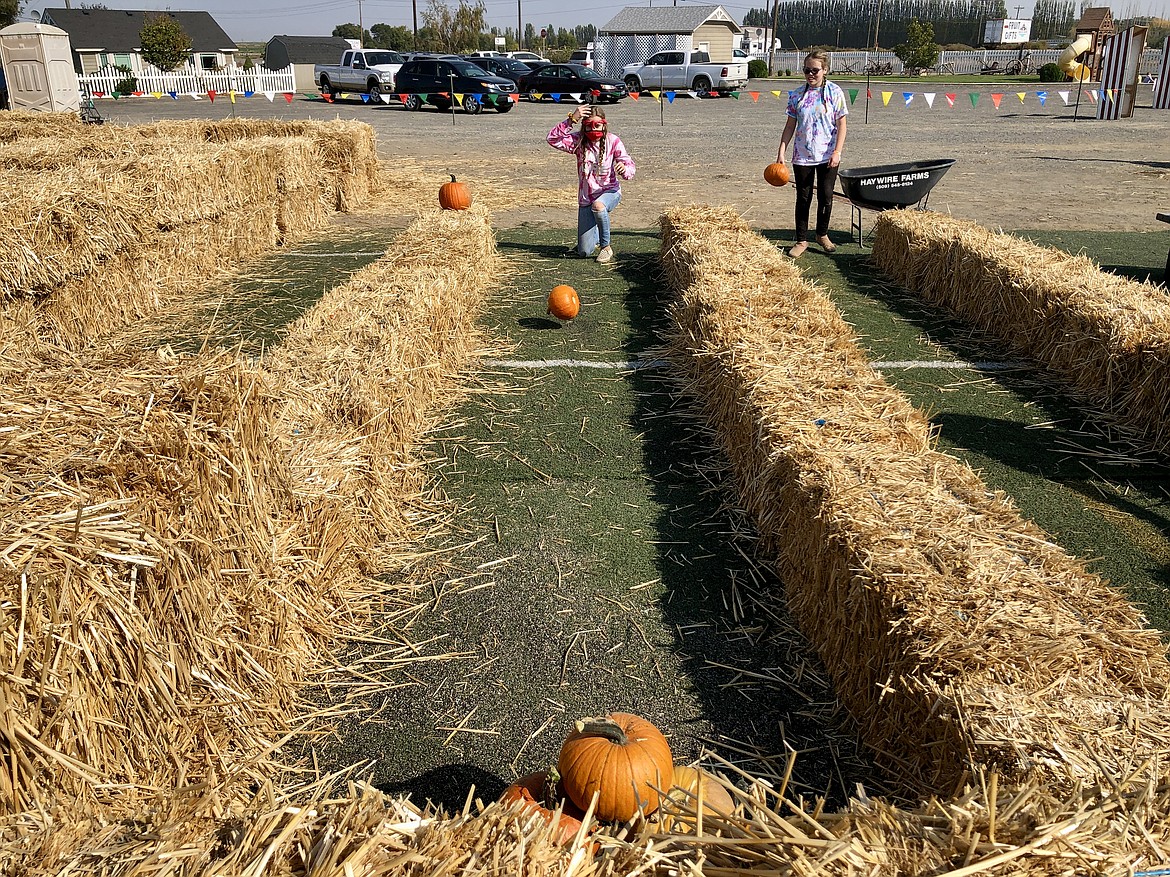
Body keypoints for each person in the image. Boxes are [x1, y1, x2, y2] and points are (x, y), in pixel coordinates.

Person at [775, 50, 848, 258]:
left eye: (815, 70)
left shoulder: (835, 92)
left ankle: (822, 234)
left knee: (826, 197)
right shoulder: (797, 95)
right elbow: (790, 126)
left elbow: (842, 125)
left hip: (827, 155)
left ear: (825, 70)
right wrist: (782, 150)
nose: (810, 74)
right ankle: (801, 239)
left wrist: (837, 152)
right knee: (803, 198)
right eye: (807, 70)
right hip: (802, 156)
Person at [547, 104, 635, 263]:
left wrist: (624, 170)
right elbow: (552, 139)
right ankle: (592, 233)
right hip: (586, 197)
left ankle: (606, 247)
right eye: (588, 126)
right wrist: (572, 119)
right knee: (584, 252)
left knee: (599, 206)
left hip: (610, 192)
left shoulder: (613, 141)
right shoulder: (579, 141)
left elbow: (630, 166)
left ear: (604, 124)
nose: (593, 129)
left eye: (597, 125)